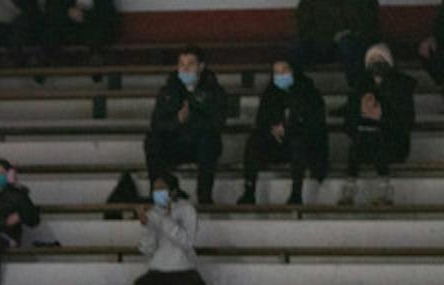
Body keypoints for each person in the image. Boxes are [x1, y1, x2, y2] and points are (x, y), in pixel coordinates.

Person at [144, 46, 227, 206]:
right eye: (181, 64)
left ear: (201, 66)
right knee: (152, 140)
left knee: (210, 141)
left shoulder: (215, 91)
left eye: (190, 64)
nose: (185, 68)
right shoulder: (168, 91)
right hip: (176, 143)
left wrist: (192, 119)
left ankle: (204, 197)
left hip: (200, 144)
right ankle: (165, 189)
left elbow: (217, 124)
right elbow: (157, 123)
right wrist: (177, 121)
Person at [240, 60, 327, 206]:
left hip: (304, 144)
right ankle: (249, 191)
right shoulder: (270, 93)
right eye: (276, 72)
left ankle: (296, 194)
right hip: (275, 143)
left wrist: (289, 129)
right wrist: (272, 130)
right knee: (254, 141)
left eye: (284, 71)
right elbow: (261, 121)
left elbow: (315, 125)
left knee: (298, 143)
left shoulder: (309, 93)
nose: (280, 75)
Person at [343, 42, 415, 206]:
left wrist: (382, 116)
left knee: (375, 135)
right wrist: (359, 113)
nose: (376, 63)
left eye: (380, 58)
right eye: (372, 59)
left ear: (389, 62)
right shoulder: (359, 87)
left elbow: (407, 122)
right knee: (364, 134)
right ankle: (350, 187)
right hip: (363, 144)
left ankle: (383, 189)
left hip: (393, 144)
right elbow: (348, 124)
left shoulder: (402, 87)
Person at [292, 0, 381, 90]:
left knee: (348, 44)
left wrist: (349, 32)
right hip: (322, 45)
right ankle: (292, 91)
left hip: (351, 44)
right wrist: (330, 37)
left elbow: (370, 20)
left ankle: (359, 91)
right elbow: (303, 26)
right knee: (297, 49)